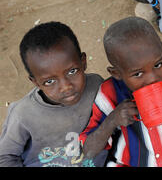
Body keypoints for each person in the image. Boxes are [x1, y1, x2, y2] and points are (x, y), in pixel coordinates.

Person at [79, 17, 162, 167]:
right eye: (138, 74)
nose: (153, 78)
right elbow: (89, 150)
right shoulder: (109, 93)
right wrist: (113, 120)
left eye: (158, 64)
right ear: (116, 73)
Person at [0, 22, 106, 167]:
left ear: (83, 62)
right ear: (36, 82)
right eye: (49, 81)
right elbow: (5, 157)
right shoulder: (23, 114)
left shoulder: (96, 86)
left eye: (72, 71)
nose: (66, 87)